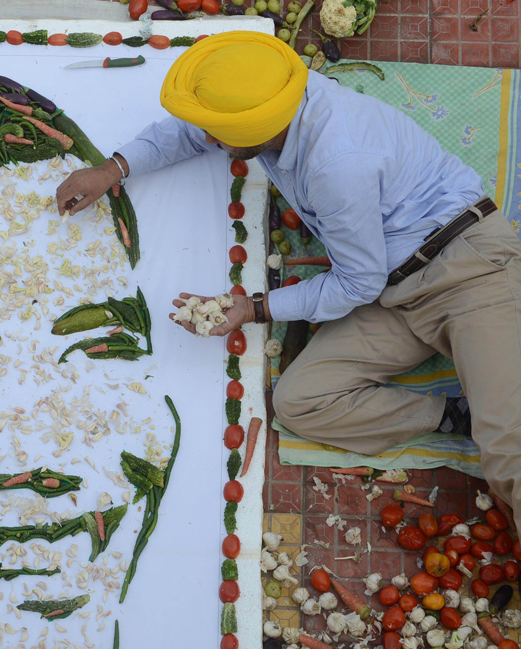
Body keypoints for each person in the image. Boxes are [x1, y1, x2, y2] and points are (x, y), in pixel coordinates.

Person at [55, 30, 521, 517]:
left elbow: (355, 283)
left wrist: (255, 309)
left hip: (466, 270)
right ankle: (452, 415)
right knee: (301, 401)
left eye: (219, 136)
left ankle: (491, 418)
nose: (209, 140)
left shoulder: (335, 165)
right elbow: (194, 131)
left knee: (508, 453)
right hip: (396, 287)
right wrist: (113, 169)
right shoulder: (271, 106)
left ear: (260, 128)